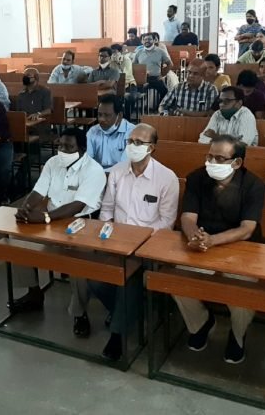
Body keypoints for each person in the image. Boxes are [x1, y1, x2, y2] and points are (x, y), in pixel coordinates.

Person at [90, 123, 179, 360]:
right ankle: (129, 311)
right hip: (116, 243)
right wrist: (106, 236)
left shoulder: (166, 178)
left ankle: (117, 335)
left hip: (148, 247)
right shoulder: (118, 172)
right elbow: (107, 210)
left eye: (139, 142)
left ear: (152, 147)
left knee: (127, 279)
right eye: (130, 141)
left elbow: (167, 223)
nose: (132, 146)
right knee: (93, 277)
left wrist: (137, 244)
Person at [174, 135, 265, 364]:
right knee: (178, 280)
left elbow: (247, 229)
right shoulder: (196, 178)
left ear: (237, 162)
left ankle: (237, 335)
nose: (212, 162)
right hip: (202, 244)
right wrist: (194, 236)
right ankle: (201, 324)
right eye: (209, 156)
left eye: (219, 158)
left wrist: (212, 240)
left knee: (243, 290)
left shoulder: (253, 185)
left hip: (241, 248)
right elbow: (187, 217)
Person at [10, 128, 106, 338]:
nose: (63, 150)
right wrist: (26, 208)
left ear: (82, 149)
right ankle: (34, 293)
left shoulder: (94, 170)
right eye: (60, 145)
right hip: (51, 222)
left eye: (69, 147)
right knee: (17, 242)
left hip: (82, 224)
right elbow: (38, 191)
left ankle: (79, 313)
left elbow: (78, 205)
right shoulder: (53, 163)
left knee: (78, 260)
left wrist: (45, 217)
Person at [86, 94, 135, 171]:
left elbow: (124, 165)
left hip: (122, 174)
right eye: (99, 115)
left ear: (119, 116)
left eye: (107, 115)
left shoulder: (132, 132)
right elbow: (88, 160)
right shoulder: (93, 132)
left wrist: (101, 173)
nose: (102, 119)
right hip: (97, 174)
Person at [134, 33, 173, 103]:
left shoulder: (160, 51)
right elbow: (133, 65)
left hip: (156, 78)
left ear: (154, 40)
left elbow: (170, 64)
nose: (147, 41)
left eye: (149, 39)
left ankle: (159, 107)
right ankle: (138, 108)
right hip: (143, 79)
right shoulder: (139, 52)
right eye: (145, 39)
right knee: (134, 93)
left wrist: (162, 75)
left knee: (165, 92)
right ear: (142, 41)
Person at [110, 44, 138, 118]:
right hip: (116, 85)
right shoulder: (110, 61)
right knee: (112, 98)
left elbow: (126, 75)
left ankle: (127, 117)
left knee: (130, 98)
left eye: (115, 52)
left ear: (120, 52)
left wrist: (118, 64)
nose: (113, 54)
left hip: (129, 84)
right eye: (111, 52)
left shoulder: (126, 60)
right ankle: (117, 116)